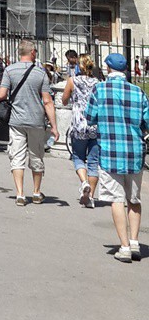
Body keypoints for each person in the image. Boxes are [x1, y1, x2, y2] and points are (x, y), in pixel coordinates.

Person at [84, 52, 149, 263]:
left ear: (108, 69)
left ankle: (123, 247)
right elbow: (146, 122)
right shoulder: (138, 92)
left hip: (110, 151)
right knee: (134, 199)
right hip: (135, 152)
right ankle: (135, 242)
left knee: (117, 199)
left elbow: (90, 117)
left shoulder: (100, 89)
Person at [0, 38, 59, 205]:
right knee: (36, 155)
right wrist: (54, 127)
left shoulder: (9, 70)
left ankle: (19, 194)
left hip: (16, 120)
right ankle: (36, 192)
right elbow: (47, 101)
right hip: (36, 121)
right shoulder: (40, 73)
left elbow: (1, 95)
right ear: (32, 53)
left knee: (16, 156)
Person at [62, 54, 100, 207]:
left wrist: (72, 98)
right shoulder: (98, 83)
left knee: (77, 156)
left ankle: (84, 182)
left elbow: (64, 100)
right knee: (93, 162)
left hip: (79, 124)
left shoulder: (73, 81)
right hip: (95, 124)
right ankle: (90, 197)